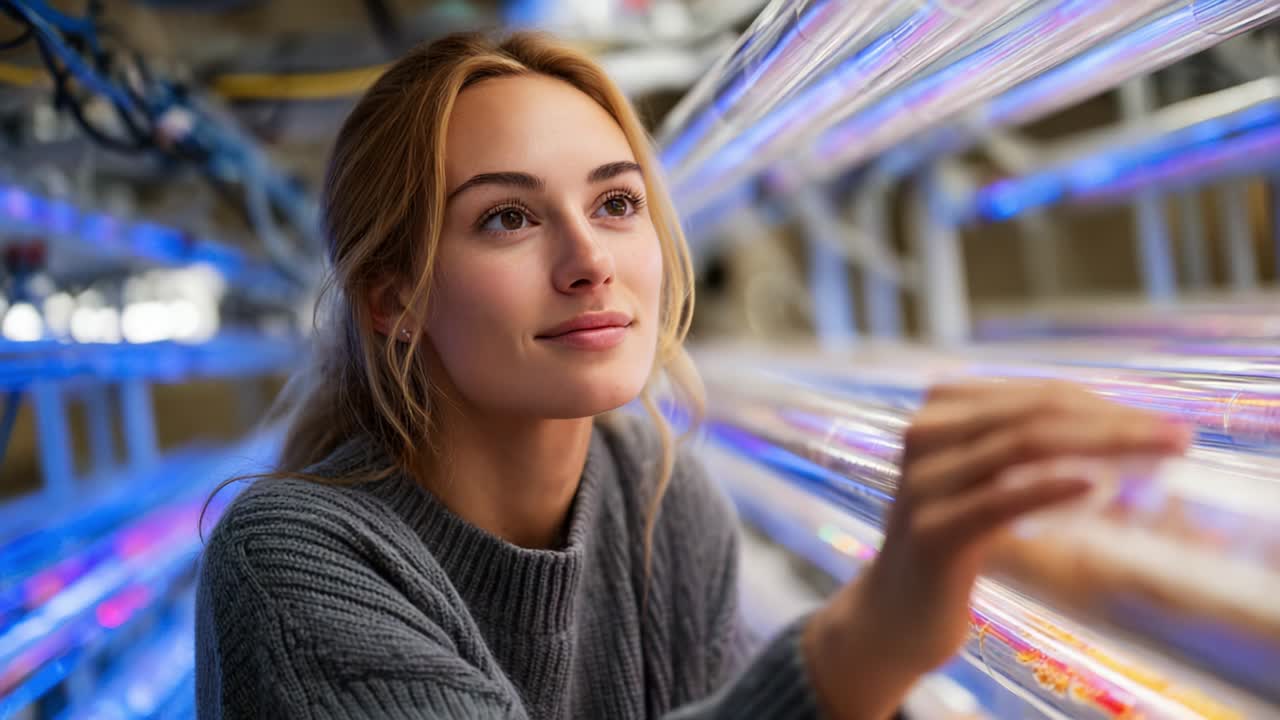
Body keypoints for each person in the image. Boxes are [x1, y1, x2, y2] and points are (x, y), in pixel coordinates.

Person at [194, 31, 1191, 720]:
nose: (589, 260)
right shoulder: (290, 563)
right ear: (391, 300)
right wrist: (860, 646)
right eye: (508, 217)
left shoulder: (656, 494)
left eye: (616, 203)